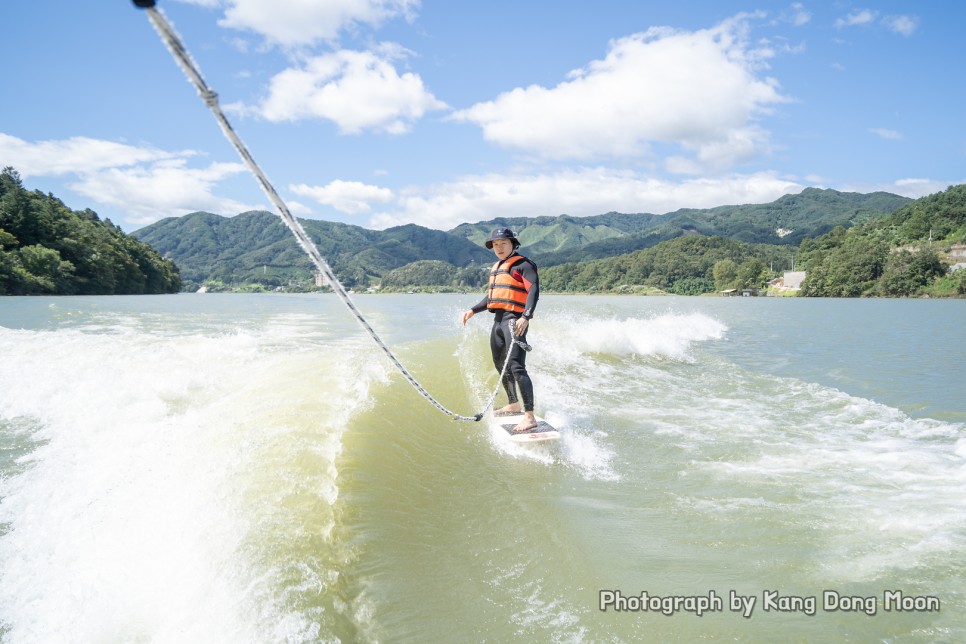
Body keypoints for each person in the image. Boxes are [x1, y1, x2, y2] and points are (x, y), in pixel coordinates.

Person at [461, 227, 540, 432]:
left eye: (503, 243)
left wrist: (526, 316)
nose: (499, 247)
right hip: (498, 321)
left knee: (516, 366)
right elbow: (494, 296)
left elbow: (533, 290)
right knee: (500, 364)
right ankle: (513, 404)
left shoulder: (523, 265)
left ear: (513, 244)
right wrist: (473, 310)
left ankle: (529, 416)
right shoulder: (498, 267)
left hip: (515, 320)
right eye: (495, 244)